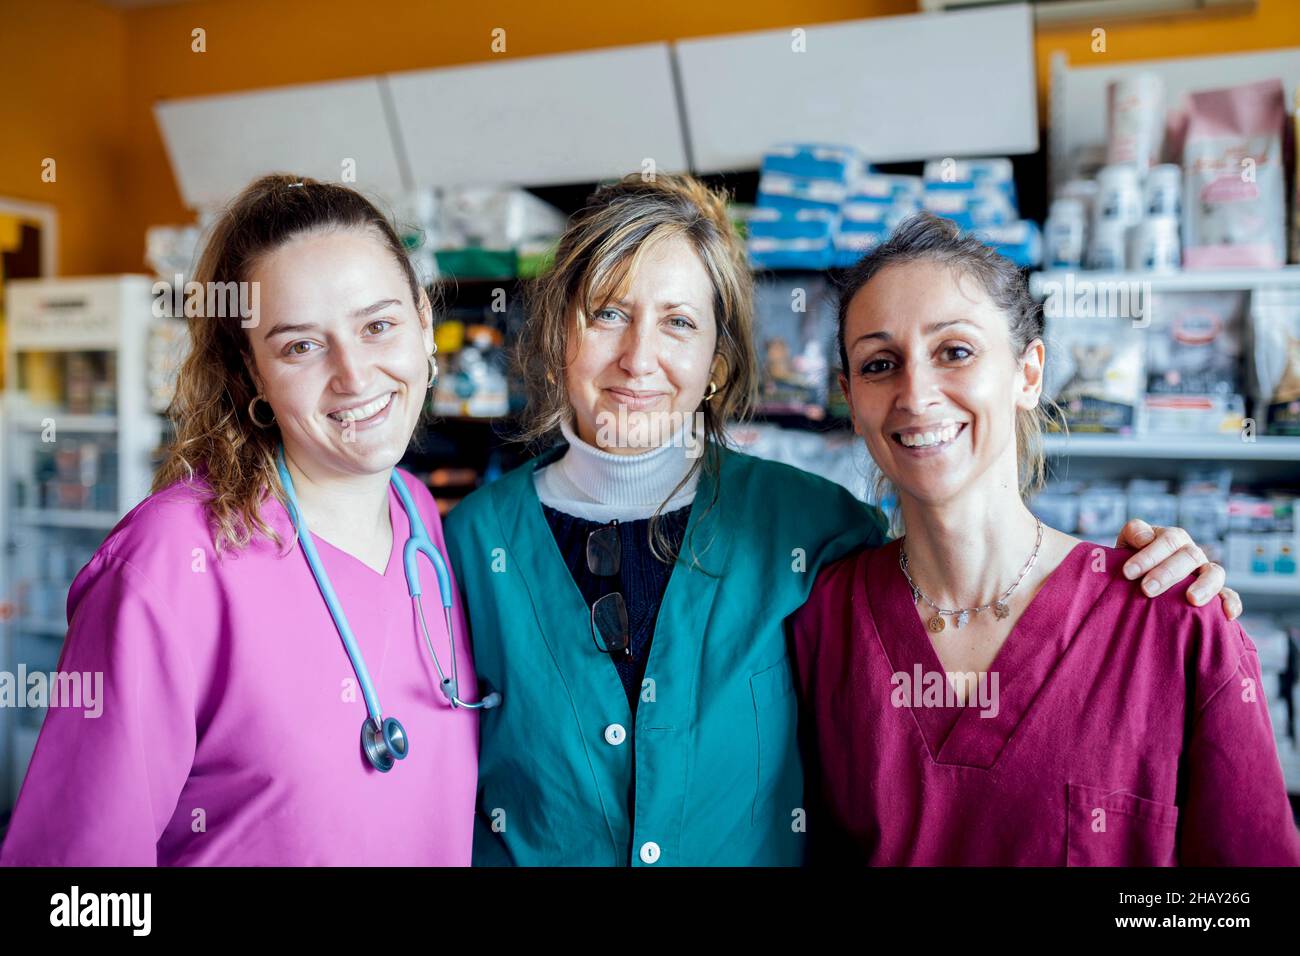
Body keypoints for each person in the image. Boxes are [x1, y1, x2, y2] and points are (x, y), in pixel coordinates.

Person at [444, 175, 1239, 867]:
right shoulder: (469, 548)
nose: (639, 356)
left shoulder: (814, 529)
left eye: (680, 323)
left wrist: (1160, 583)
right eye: (608, 313)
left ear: (717, 363)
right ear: (557, 333)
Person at [791, 213, 1299, 866]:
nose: (915, 394)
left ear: (1029, 373)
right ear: (851, 399)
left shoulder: (1173, 619)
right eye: (880, 363)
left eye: (956, 351)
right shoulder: (819, 623)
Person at [0, 175, 479, 866]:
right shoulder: (167, 564)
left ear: (425, 327)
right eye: (300, 347)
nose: (353, 374)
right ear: (250, 375)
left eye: (378, 326)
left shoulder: (420, 520)